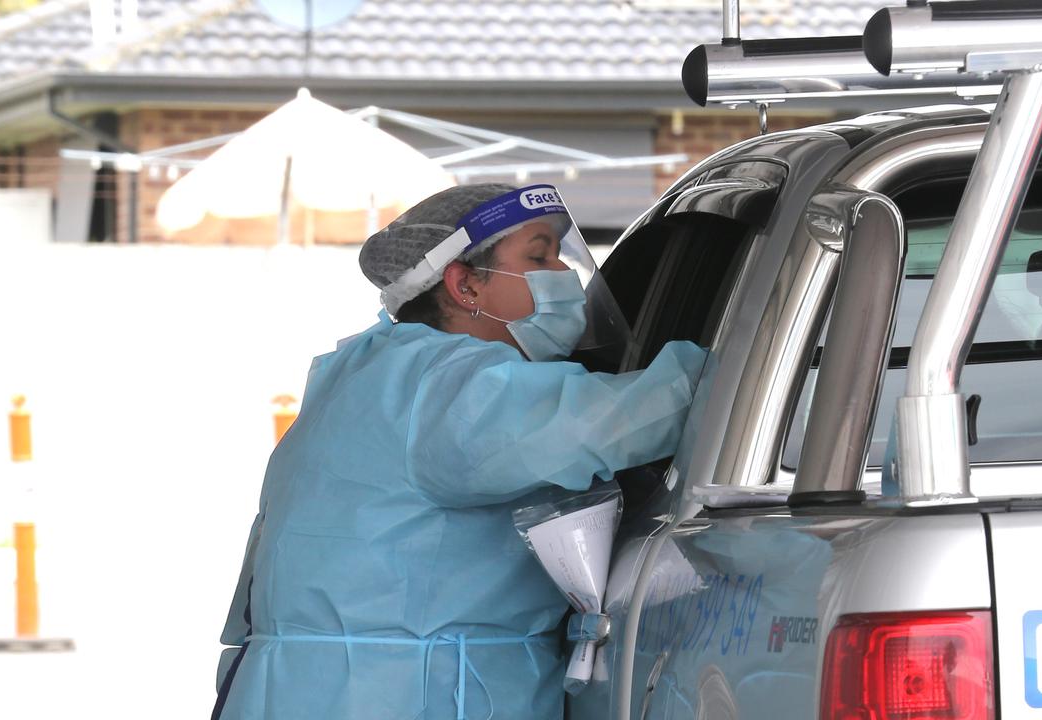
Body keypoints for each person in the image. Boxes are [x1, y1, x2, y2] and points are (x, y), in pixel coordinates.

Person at [212, 183, 707, 720]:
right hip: (398, 696)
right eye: (539, 255)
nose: (565, 274)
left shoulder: (373, 372)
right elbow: (615, 423)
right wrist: (740, 361)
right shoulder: (450, 385)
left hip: (319, 690)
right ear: (465, 284)